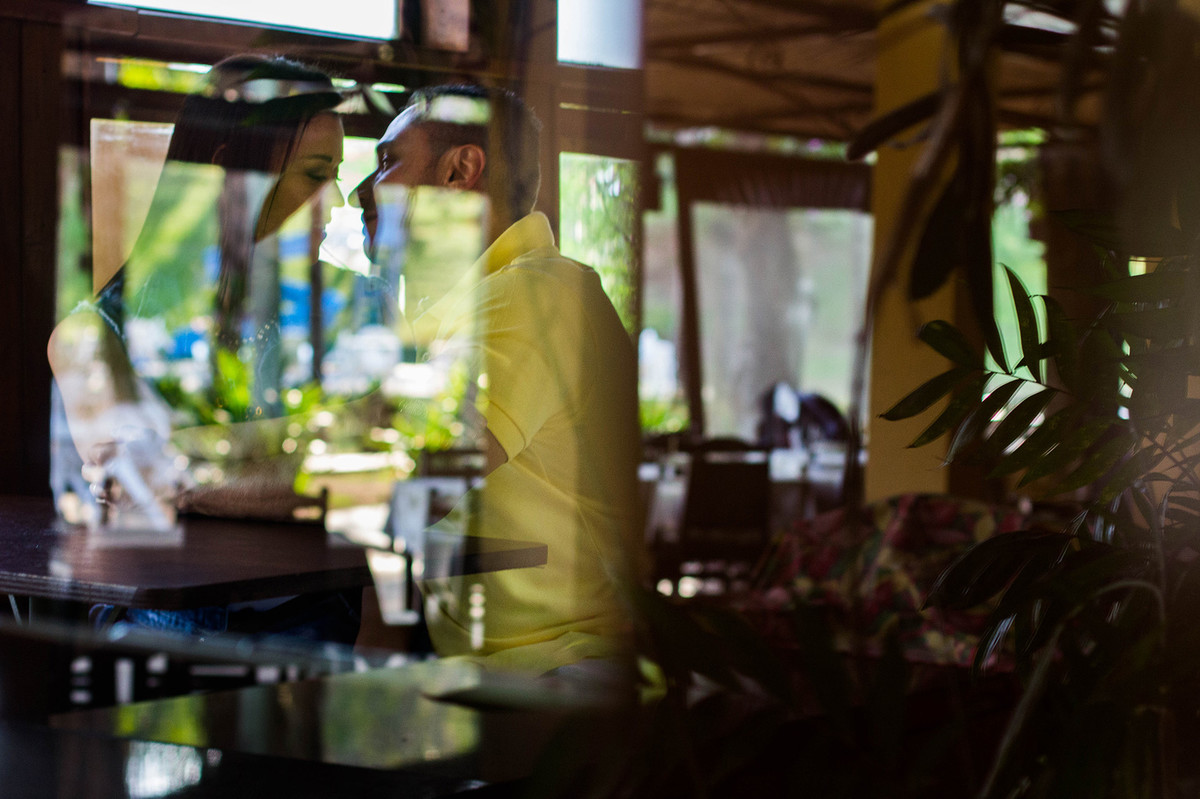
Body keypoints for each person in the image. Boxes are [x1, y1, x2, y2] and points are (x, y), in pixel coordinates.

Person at [49, 54, 363, 644]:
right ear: (226, 172)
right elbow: (134, 479)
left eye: (337, 175)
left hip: (317, 625)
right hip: (157, 634)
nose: (338, 200)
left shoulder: (344, 313)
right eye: (316, 173)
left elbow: (365, 472)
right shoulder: (91, 334)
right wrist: (292, 455)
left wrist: (186, 470)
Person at [353, 85, 645, 677]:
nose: (360, 190)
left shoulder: (538, 294)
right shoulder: (469, 305)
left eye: (387, 162)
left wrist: (201, 482)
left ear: (460, 171)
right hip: (495, 669)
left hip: (561, 670)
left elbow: (414, 472)